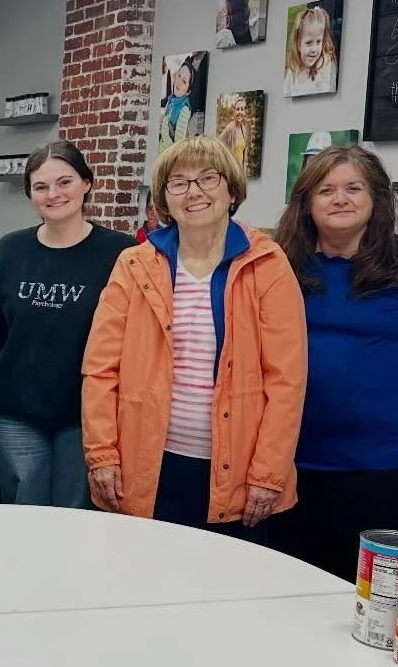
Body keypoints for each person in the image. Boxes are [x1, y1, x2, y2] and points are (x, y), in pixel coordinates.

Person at [82, 136, 306, 540]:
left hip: (237, 470)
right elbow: (100, 369)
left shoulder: (267, 265)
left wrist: (269, 474)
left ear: (231, 189)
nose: (194, 192)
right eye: (179, 183)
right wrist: (101, 455)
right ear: (164, 200)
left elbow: (286, 381)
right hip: (147, 462)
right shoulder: (134, 264)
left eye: (208, 178)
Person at [269, 146, 398, 581]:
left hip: (383, 465)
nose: (339, 199)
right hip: (289, 461)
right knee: (288, 587)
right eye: (325, 190)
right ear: (306, 202)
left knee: (367, 593)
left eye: (353, 188)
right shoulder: (278, 263)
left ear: (376, 197)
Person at [0, 141, 134, 508]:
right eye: (41, 187)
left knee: (77, 523)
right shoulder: (10, 250)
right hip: (15, 416)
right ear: (30, 194)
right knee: (24, 521)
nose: (53, 194)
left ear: (87, 183)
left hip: (86, 420)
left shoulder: (122, 254)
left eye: (64, 182)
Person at [283, 6, 338, 97]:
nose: (314, 49)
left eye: (318, 42)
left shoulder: (325, 66)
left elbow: (327, 96)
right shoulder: (292, 70)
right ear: (299, 45)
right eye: (309, 43)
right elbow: (286, 93)